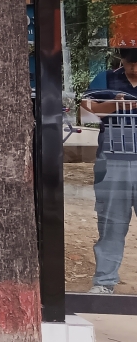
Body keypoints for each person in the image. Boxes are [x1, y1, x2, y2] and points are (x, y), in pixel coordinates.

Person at [83, 48, 137, 294]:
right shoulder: (105, 79)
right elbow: (85, 112)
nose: (133, 68)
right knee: (111, 224)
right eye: (129, 62)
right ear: (121, 59)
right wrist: (113, 105)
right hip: (113, 161)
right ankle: (105, 282)